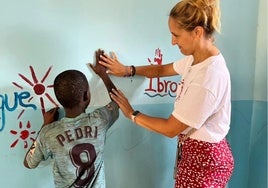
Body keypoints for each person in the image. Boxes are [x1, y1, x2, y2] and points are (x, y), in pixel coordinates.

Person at [99, 0, 234, 187]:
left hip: (206, 163)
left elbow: (171, 128)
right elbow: (161, 70)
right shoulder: (195, 59)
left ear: (197, 32)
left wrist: (132, 114)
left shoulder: (209, 77)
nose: (173, 42)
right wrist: (127, 70)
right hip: (193, 154)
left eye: (176, 35)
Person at [23, 49, 119, 188]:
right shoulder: (99, 120)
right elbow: (117, 101)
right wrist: (103, 74)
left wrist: (45, 126)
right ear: (86, 96)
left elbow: (29, 163)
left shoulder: (48, 133)